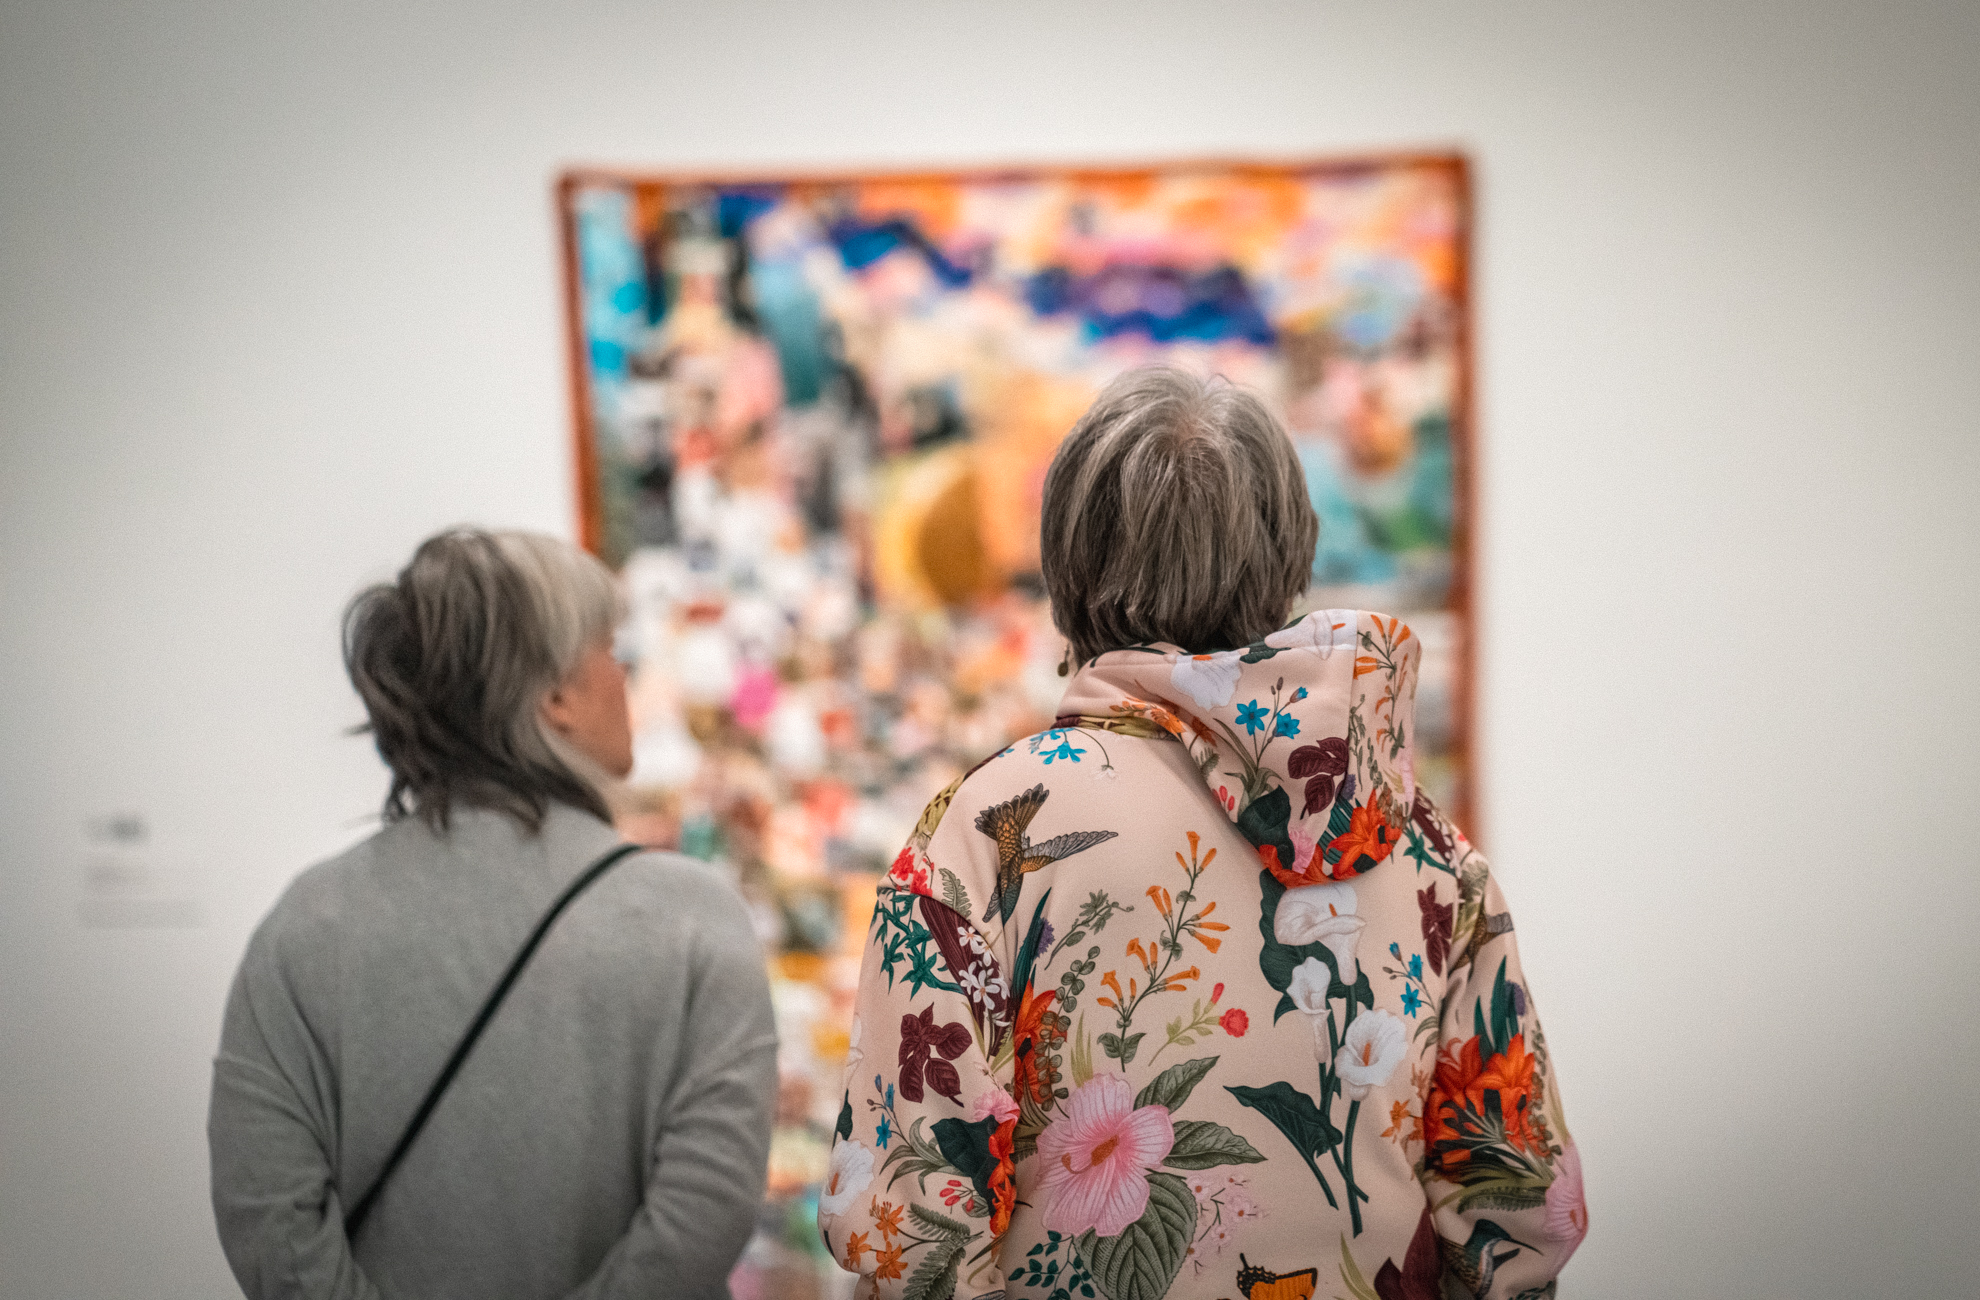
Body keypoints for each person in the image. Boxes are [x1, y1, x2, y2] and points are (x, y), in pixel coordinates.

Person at [820, 370, 1585, 1300]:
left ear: (1067, 564)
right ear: (1290, 563)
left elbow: (909, 1238)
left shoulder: (982, 837)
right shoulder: (1425, 850)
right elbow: (1523, 1217)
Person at [209, 528, 777, 1300]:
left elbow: (268, 1221)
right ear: (556, 697)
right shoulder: (693, 919)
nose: (624, 674)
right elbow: (704, 1216)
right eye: (610, 650)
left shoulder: (305, 928)